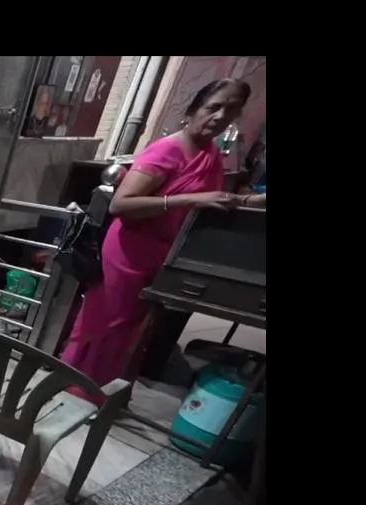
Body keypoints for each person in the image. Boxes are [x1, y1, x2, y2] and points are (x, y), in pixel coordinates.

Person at [59, 79, 266, 400]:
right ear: (194, 109)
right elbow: (121, 205)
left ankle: (104, 394)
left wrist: (249, 201)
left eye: (231, 110)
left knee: (132, 333)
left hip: (165, 253)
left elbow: (210, 200)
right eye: (213, 107)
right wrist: (187, 200)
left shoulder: (210, 153)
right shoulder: (168, 149)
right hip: (130, 252)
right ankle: (74, 391)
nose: (220, 116)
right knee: (106, 326)